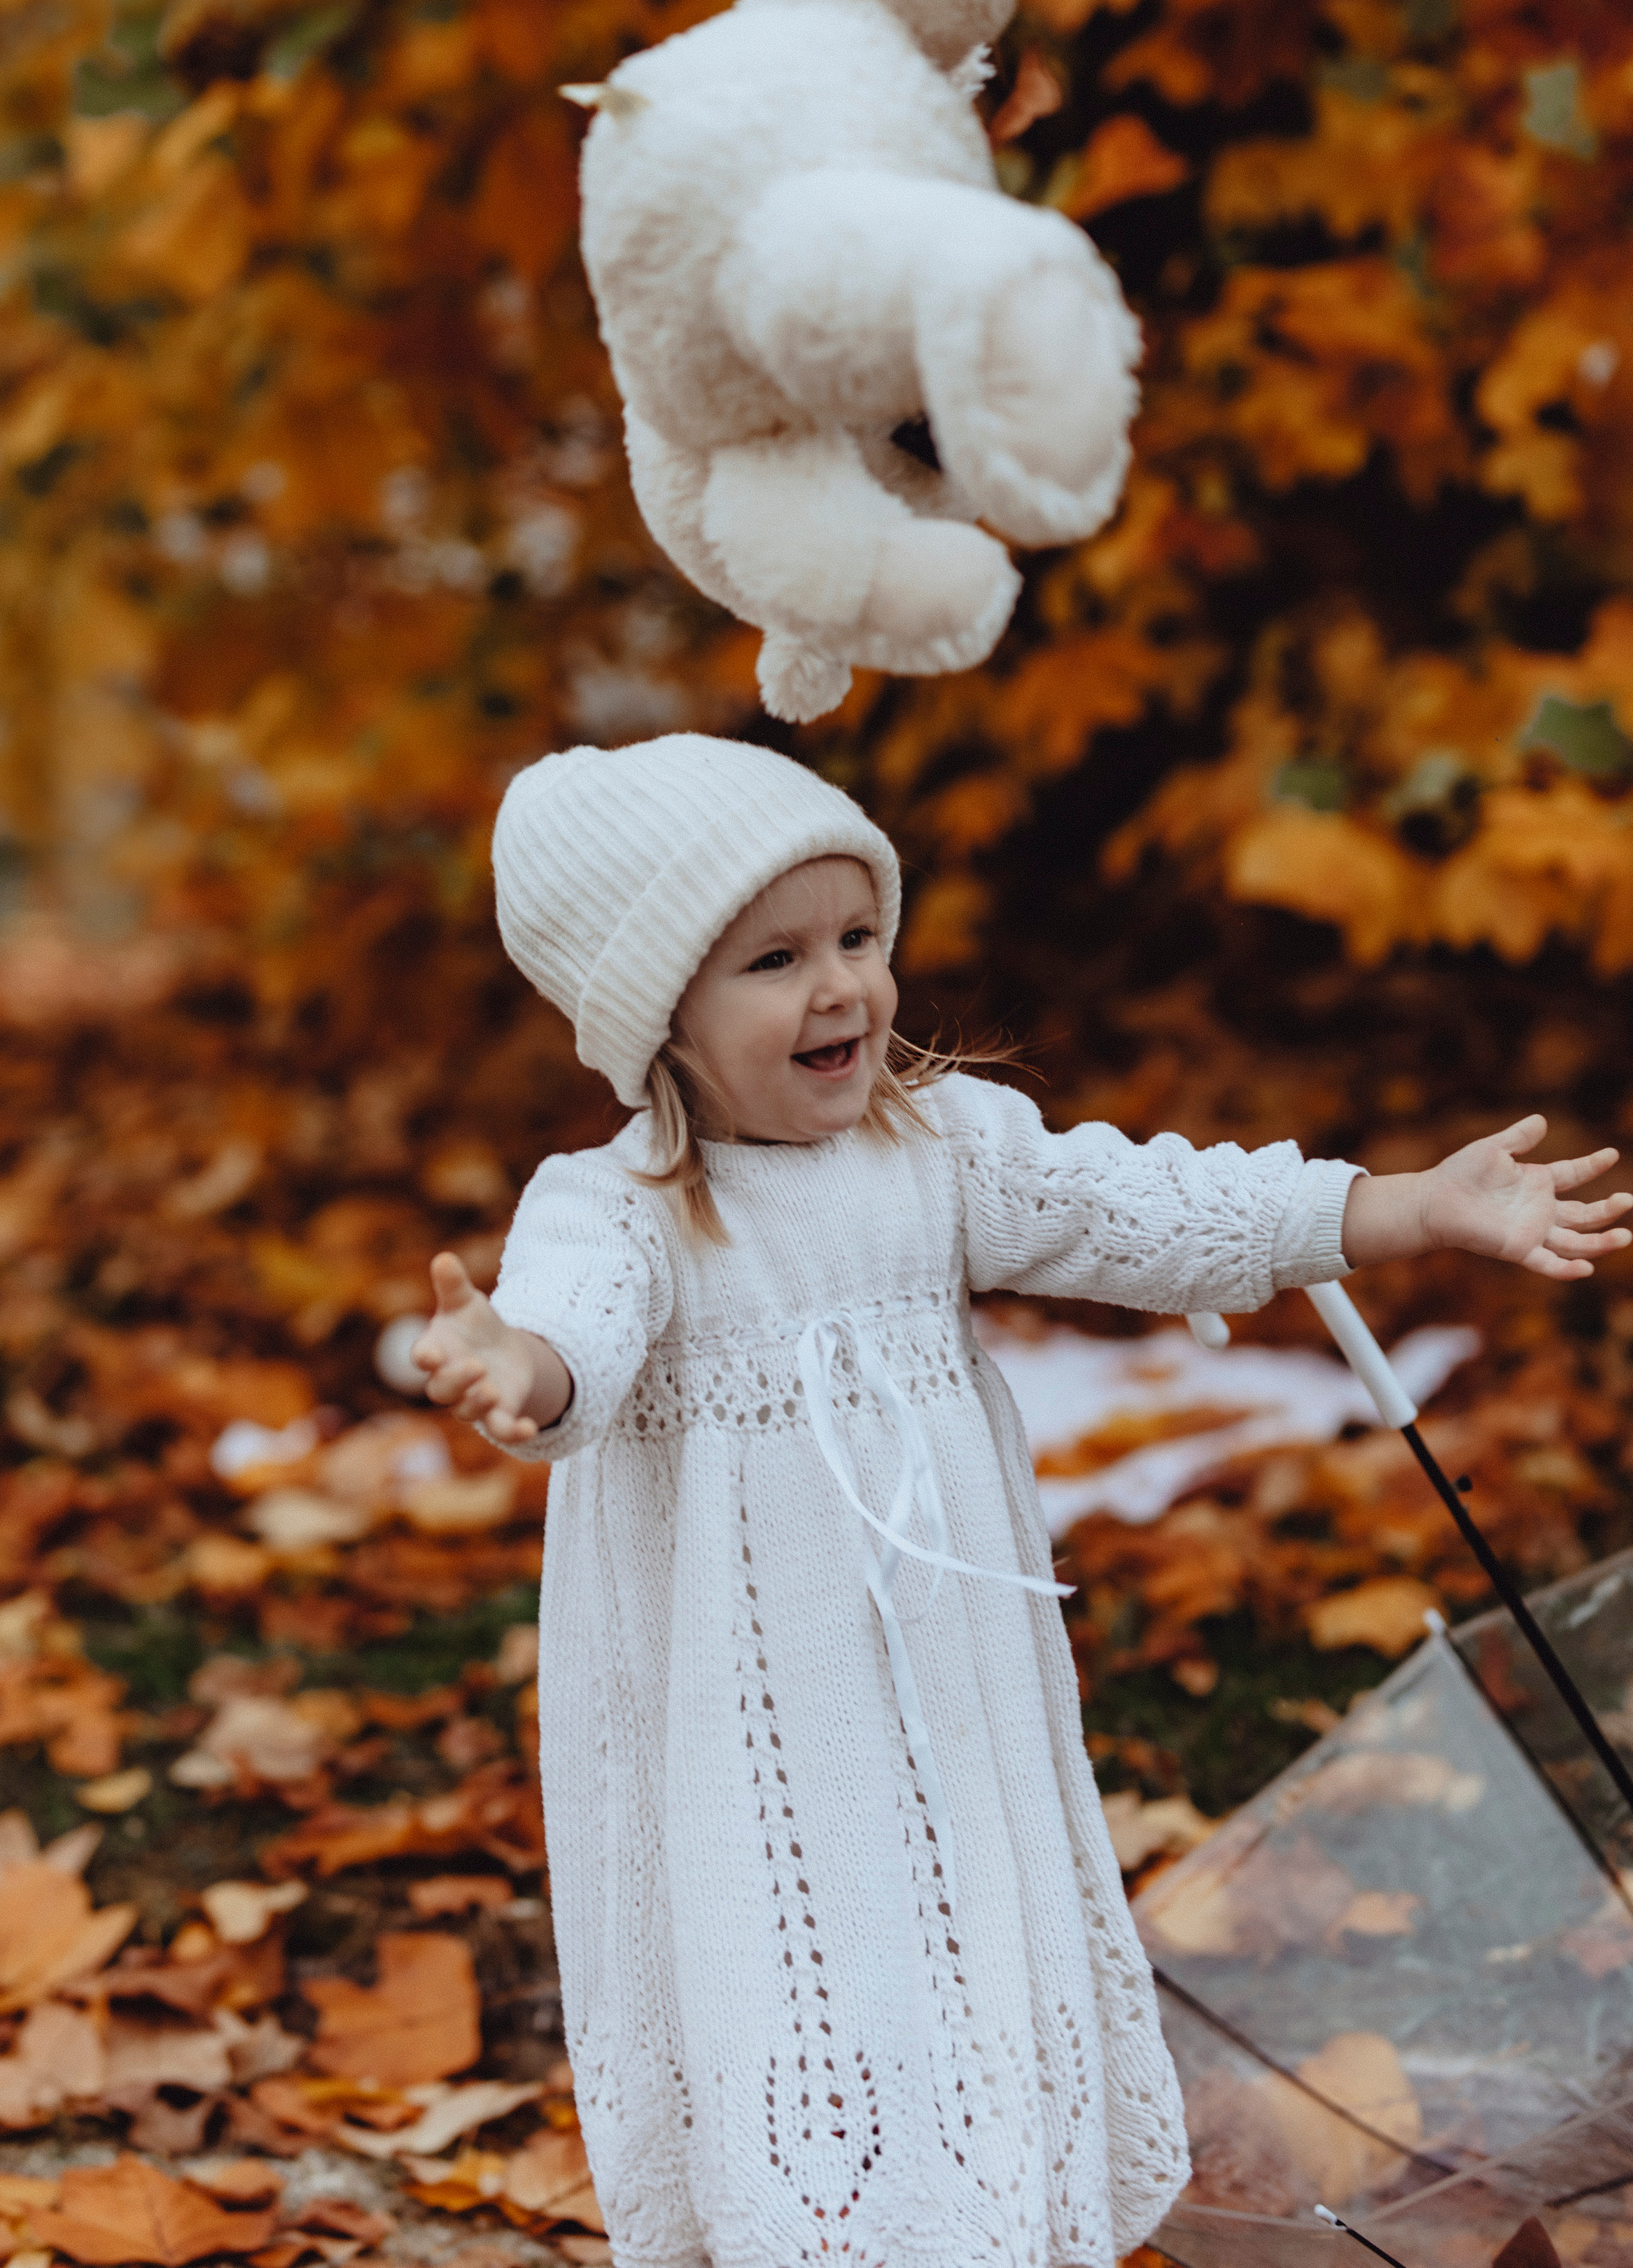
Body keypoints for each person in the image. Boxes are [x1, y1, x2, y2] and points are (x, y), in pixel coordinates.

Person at [411, 734, 1629, 2268]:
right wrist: (510, 1368)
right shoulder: (620, 1208)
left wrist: (1395, 1208)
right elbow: (570, 1338)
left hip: (951, 1695)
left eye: (858, 936)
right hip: (764, 1731)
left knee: (970, 1937)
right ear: (654, 1012)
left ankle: (996, 2214)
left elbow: (1150, 1209)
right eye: (772, 960)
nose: (840, 986)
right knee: (807, 1965)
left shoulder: (937, 1148)